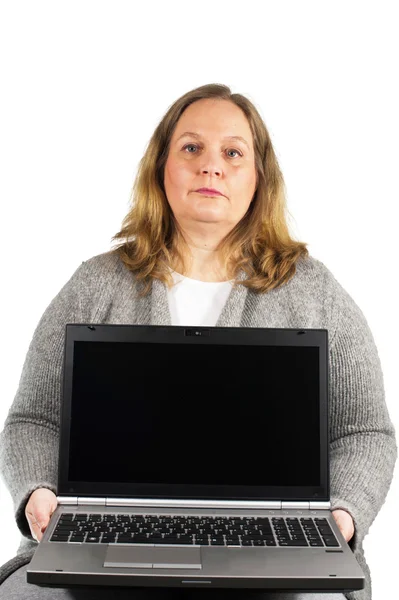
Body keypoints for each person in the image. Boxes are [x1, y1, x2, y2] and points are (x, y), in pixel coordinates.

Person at [0, 83, 396, 600]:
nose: (212, 167)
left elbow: (365, 430)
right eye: (191, 148)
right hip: (111, 528)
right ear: (161, 166)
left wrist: (343, 513)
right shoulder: (94, 285)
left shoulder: (314, 292)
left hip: (270, 542)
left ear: (259, 177)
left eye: (233, 152)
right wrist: (37, 492)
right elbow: (34, 418)